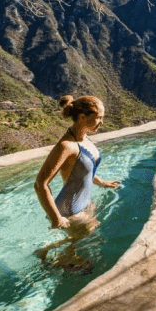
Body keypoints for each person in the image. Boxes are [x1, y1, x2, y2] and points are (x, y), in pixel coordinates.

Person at [34, 95, 120, 269]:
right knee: (85, 233)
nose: (102, 122)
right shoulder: (67, 146)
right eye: (99, 118)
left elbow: (84, 171)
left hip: (83, 202)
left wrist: (101, 182)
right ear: (82, 117)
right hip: (68, 209)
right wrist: (55, 218)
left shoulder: (85, 139)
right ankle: (48, 252)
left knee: (89, 230)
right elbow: (40, 184)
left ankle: (59, 253)